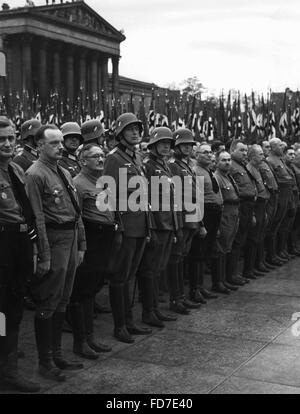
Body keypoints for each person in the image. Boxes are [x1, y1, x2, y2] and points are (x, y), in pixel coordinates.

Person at [26, 124, 86, 382]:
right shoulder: (35, 174)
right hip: (53, 238)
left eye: (61, 142)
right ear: (39, 146)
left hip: (70, 238)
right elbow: (36, 217)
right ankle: (45, 361)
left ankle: (58, 353)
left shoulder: (62, 170)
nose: (60, 146)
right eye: (53, 143)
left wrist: (82, 243)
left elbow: (76, 210)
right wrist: (44, 253)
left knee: (64, 297)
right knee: (49, 299)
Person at [103, 113, 152, 343]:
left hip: (140, 223)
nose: (135, 133)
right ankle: (120, 326)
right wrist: (118, 228)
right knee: (119, 277)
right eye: (130, 129)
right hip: (125, 225)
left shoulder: (136, 157)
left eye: (137, 130)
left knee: (129, 276)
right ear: (120, 133)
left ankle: (129, 322)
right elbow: (109, 195)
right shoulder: (114, 158)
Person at [0, 116, 40, 392]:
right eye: (1, 139)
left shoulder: (15, 169)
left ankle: (8, 363)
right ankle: (7, 370)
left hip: (19, 242)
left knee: (13, 305)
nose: (7, 143)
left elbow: (27, 209)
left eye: (11, 138)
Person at [69, 143, 116, 358]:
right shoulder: (77, 184)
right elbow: (77, 218)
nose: (100, 159)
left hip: (104, 239)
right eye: (94, 156)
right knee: (81, 291)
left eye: (102, 155)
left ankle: (90, 338)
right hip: (90, 239)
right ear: (82, 161)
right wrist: (81, 246)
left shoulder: (102, 182)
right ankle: (82, 342)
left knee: (92, 289)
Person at [138, 126, 178, 326]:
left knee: (158, 269)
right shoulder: (147, 166)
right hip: (156, 224)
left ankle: (155, 309)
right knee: (150, 269)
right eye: (161, 143)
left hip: (167, 223)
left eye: (168, 143)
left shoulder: (164, 165)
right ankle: (149, 311)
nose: (165, 146)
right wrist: (151, 227)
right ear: (152, 144)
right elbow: (145, 199)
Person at [169, 128, 204, 308]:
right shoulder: (174, 165)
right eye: (183, 144)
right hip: (182, 215)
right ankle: (176, 298)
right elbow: (175, 195)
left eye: (189, 144)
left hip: (191, 215)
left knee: (183, 256)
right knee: (176, 257)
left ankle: (181, 296)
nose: (187, 147)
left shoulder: (188, 165)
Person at [190, 143, 223, 295]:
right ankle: (196, 288)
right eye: (205, 152)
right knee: (198, 253)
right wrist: (201, 223)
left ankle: (203, 286)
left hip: (214, 213)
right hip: (204, 213)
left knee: (208, 250)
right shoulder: (196, 172)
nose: (209, 155)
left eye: (210, 152)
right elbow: (196, 199)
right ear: (196, 155)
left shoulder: (209, 171)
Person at [227, 140, 257, 285]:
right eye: (241, 150)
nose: (245, 153)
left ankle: (236, 273)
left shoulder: (242, 165)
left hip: (248, 205)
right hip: (240, 205)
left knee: (242, 240)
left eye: (246, 150)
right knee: (236, 241)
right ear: (232, 150)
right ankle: (231, 274)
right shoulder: (231, 165)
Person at [214, 150, 240, 291]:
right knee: (220, 249)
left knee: (227, 247)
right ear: (217, 162)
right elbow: (218, 201)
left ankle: (225, 279)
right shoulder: (217, 177)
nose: (227, 162)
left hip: (233, 213)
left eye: (229, 159)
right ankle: (218, 282)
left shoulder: (228, 176)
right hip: (224, 214)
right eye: (223, 160)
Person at [245, 145, 270, 278]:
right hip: (255, 206)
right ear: (252, 156)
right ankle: (249, 269)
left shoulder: (257, 168)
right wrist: (254, 214)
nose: (263, 156)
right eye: (260, 154)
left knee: (258, 237)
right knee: (253, 238)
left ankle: (256, 265)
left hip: (262, 205)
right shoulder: (249, 169)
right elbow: (253, 193)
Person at [267, 138, 294, 262]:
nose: (282, 147)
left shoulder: (280, 159)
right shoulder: (270, 160)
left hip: (287, 193)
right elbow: (275, 180)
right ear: (272, 147)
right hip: (279, 195)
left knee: (282, 224)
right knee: (275, 225)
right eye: (279, 145)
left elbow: (288, 176)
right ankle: (272, 255)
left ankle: (280, 251)